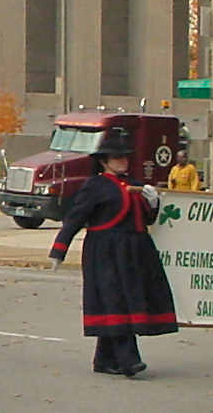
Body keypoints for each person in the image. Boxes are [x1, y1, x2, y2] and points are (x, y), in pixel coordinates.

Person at [48, 132, 177, 377]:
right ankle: (129, 360)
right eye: (117, 158)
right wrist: (59, 249)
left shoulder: (135, 183)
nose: (123, 162)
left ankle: (104, 359)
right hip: (105, 252)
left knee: (124, 301)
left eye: (125, 158)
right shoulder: (95, 186)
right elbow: (75, 217)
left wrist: (153, 203)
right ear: (104, 161)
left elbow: (145, 219)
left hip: (135, 253)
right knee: (115, 301)